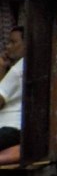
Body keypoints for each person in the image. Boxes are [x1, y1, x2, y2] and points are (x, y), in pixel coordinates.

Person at [0, 26, 25, 165]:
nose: (8, 47)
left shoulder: (18, 69)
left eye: (13, 42)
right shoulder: (28, 65)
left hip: (9, 129)